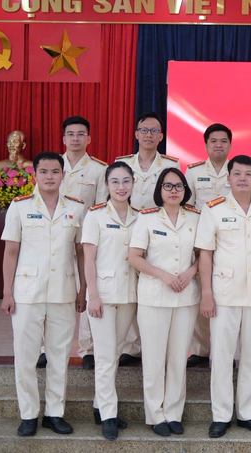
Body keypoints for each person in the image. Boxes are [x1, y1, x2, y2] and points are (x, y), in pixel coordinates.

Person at [0, 152, 86, 437]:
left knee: (59, 357)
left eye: (55, 171)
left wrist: (83, 289)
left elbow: (81, 252)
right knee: (25, 357)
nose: (50, 176)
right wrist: (6, 292)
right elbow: (10, 252)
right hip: (27, 293)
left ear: (63, 175)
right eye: (44, 171)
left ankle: (54, 413)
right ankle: (28, 414)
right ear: (34, 175)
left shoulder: (76, 208)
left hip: (63, 292)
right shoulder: (20, 206)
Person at [196, 155, 251, 438]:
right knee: (222, 355)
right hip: (224, 294)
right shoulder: (213, 209)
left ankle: (249, 413)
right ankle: (221, 414)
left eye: (248, 174)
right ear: (228, 178)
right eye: (237, 173)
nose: (243, 178)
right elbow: (205, 254)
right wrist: (206, 293)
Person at [128, 168, 201, 437]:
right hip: (154, 296)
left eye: (178, 186)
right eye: (168, 186)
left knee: (178, 358)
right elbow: (134, 257)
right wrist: (164, 276)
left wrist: (190, 273)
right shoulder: (147, 218)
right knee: (154, 358)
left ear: (185, 190)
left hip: (186, 296)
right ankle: (155, 414)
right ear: (159, 190)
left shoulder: (196, 218)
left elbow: (202, 255)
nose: (173, 191)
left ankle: (173, 412)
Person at [116, 112, 181, 365]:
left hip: (158, 234)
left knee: (152, 287)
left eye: (154, 131)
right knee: (129, 289)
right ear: (136, 134)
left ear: (161, 136)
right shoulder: (122, 164)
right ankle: (132, 346)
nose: (148, 135)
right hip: (125, 231)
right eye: (144, 130)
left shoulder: (171, 166)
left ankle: (154, 345)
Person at [82, 162, 138, 440]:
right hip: (102, 296)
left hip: (129, 294)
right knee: (104, 357)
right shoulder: (95, 216)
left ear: (133, 183)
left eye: (126, 181)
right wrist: (92, 294)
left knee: (114, 353)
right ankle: (108, 415)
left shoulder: (140, 216)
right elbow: (88, 258)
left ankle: (99, 405)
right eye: (115, 181)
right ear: (106, 184)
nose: (121, 186)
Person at [60, 115, 108, 371]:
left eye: (81, 134)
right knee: (56, 294)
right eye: (71, 134)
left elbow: (100, 206)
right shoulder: (52, 165)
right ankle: (49, 349)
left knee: (89, 291)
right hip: (58, 239)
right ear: (63, 138)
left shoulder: (99, 169)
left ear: (89, 138)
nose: (75, 138)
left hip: (86, 240)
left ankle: (88, 349)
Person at [185, 123, 233, 368]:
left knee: (228, 298)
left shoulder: (238, 171)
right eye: (213, 141)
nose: (218, 145)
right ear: (205, 145)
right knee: (201, 293)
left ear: (230, 145)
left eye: (223, 141)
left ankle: (228, 351)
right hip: (200, 243)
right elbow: (187, 207)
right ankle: (201, 349)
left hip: (230, 243)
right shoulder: (193, 172)